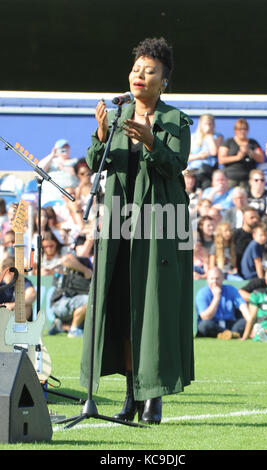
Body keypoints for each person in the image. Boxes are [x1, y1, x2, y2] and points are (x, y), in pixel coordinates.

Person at [80, 37, 194, 425]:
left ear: (164, 81)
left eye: (150, 71)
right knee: (125, 306)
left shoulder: (175, 120)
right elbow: (97, 163)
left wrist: (150, 142)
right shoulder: (115, 116)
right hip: (119, 222)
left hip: (161, 221)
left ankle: (154, 396)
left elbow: (175, 164)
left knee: (155, 308)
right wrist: (99, 134)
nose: (140, 76)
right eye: (136, 70)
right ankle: (131, 394)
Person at [195, 267, 250, 339]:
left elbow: (243, 306)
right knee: (204, 325)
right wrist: (216, 297)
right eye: (212, 279)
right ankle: (230, 334)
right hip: (213, 324)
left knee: (245, 322)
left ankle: (228, 334)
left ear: (222, 278)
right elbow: (205, 317)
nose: (214, 281)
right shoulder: (202, 293)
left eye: (217, 278)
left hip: (230, 323)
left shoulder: (231, 289)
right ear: (207, 280)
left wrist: (250, 321)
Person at [48, 252, 92, 338]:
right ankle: (74, 330)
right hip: (60, 303)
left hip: (67, 305)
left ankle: (61, 325)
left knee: (89, 302)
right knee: (90, 300)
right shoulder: (74, 265)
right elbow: (66, 259)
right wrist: (86, 271)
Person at [218, 118, 264, 188]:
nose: (242, 131)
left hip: (247, 179)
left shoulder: (253, 143)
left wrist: (250, 151)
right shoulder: (228, 142)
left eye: (245, 129)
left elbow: (261, 159)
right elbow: (221, 160)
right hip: (231, 178)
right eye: (239, 129)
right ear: (235, 130)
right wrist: (237, 157)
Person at [38, 139, 79, 206]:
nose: (64, 149)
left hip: (69, 200)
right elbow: (40, 169)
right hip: (50, 199)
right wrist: (52, 154)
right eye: (62, 148)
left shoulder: (75, 161)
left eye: (66, 147)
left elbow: (78, 174)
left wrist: (63, 167)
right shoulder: (51, 162)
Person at [187, 113, 222, 189]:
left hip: (209, 171)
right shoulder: (193, 137)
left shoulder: (217, 136)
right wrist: (199, 156)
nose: (208, 126)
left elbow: (214, 152)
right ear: (200, 125)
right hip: (194, 171)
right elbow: (187, 157)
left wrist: (208, 135)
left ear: (213, 125)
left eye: (210, 124)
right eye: (205, 124)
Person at [0, 256, 36, 321]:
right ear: (9, 271)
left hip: (15, 314)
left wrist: (12, 305)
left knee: (26, 307)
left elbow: (32, 295)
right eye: (17, 271)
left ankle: (18, 328)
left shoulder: (21, 280)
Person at [233, 206, 260, 275]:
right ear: (244, 219)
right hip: (240, 273)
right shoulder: (235, 234)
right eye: (252, 218)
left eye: (257, 217)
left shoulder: (261, 236)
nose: (255, 220)